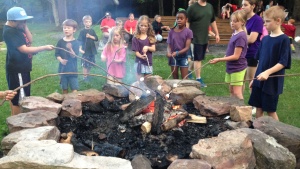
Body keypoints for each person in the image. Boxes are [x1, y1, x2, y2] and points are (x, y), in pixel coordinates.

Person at [3, 7, 54, 115]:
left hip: (22, 67)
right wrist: (44, 47)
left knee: (17, 96)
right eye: (22, 20)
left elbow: (30, 40)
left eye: (25, 20)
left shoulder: (18, 27)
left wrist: (24, 25)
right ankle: (17, 123)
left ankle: (16, 121)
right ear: (12, 21)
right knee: (18, 99)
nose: (24, 22)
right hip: (18, 70)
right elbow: (24, 49)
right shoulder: (10, 32)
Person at [248, 6, 291, 120]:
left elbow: (283, 62)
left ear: (278, 21)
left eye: (267, 21)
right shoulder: (265, 39)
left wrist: (267, 72)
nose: (264, 24)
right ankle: (258, 132)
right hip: (260, 79)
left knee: (270, 110)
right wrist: (254, 78)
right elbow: (259, 60)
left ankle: (279, 134)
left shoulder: (284, 40)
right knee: (258, 107)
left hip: (272, 83)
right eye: (264, 21)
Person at [209, 10, 248, 100]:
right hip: (231, 66)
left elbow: (236, 56)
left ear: (242, 22)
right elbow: (231, 51)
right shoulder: (235, 33)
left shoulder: (241, 36)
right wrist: (225, 57)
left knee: (237, 93)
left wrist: (219, 59)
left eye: (235, 21)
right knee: (231, 90)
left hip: (238, 68)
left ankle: (243, 111)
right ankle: (233, 109)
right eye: (231, 21)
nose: (232, 23)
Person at [187, 0, 220, 87]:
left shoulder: (209, 7)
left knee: (198, 58)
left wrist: (217, 33)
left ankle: (188, 70)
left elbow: (213, 21)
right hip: (195, 38)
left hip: (205, 38)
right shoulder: (192, 8)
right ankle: (198, 79)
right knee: (198, 59)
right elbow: (187, 21)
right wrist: (187, 35)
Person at [242, 0, 263, 90]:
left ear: (253, 6)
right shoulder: (242, 19)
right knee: (239, 82)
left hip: (252, 54)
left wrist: (240, 36)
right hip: (241, 53)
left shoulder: (257, 20)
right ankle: (238, 103)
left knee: (251, 82)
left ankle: (254, 104)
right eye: (242, 5)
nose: (242, 7)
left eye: (245, 5)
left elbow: (252, 39)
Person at [55, 19, 80, 94]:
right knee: (64, 89)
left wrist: (70, 48)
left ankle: (75, 103)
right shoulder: (60, 41)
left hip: (72, 70)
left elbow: (74, 56)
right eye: (64, 28)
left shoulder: (76, 42)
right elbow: (57, 54)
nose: (66, 29)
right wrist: (61, 60)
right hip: (63, 70)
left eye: (69, 28)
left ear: (74, 30)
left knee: (74, 89)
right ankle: (65, 103)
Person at [166, 10, 193, 79]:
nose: (179, 20)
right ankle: (176, 89)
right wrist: (168, 52)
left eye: (181, 18)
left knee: (184, 78)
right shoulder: (171, 31)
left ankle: (185, 89)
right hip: (173, 57)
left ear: (186, 20)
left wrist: (177, 53)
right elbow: (169, 45)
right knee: (175, 77)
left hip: (183, 57)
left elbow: (187, 47)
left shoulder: (188, 32)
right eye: (177, 18)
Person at [132, 15, 156, 80]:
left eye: (145, 26)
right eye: (141, 25)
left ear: (148, 26)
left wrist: (147, 47)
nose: (143, 27)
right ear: (138, 25)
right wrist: (141, 56)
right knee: (139, 82)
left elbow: (153, 49)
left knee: (148, 82)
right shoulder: (136, 38)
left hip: (148, 63)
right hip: (139, 63)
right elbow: (136, 52)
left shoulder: (150, 36)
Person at [77, 15, 98, 82]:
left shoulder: (92, 30)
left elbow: (96, 38)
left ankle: (88, 75)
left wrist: (90, 36)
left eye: (89, 22)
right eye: (86, 22)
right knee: (85, 65)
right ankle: (85, 77)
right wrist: (80, 49)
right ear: (84, 23)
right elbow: (79, 41)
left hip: (92, 51)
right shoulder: (82, 31)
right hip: (85, 51)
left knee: (90, 64)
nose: (88, 23)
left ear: (91, 23)